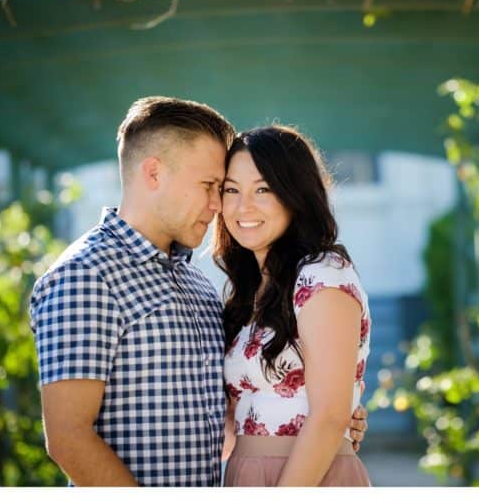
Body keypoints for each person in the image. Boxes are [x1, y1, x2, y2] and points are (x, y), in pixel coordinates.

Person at [29, 96, 367, 487]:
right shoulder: (85, 276)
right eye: (216, 187)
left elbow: (226, 422)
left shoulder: (198, 285)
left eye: (219, 188)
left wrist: (336, 416)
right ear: (153, 173)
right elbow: (68, 438)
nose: (218, 206)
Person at [215, 125, 372, 486]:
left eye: (263, 189)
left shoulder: (323, 275)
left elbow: (330, 417)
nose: (243, 207)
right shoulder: (250, 294)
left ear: (294, 195)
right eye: (231, 190)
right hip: (245, 475)